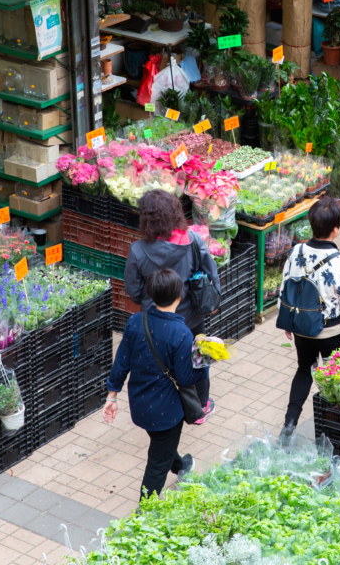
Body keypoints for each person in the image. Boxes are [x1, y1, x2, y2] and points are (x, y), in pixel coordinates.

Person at [104, 269, 206, 498]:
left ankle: (181, 466)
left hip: (140, 405)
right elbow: (186, 379)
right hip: (166, 413)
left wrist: (112, 395)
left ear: (151, 294)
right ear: (179, 296)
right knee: (157, 464)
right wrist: (204, 360)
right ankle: (145, 511)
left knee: (162, 445)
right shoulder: (181, 333)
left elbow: (121, 361)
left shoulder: (135, 321)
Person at [124, 188, 220, 422]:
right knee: (198, 358)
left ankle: (168, 407)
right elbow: (211, 272)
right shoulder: (193, 240)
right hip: (191, 317)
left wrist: (146, 300)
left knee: (161, 364)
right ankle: (200, 406)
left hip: (155, 320)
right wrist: (214, 299)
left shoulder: (137, 250)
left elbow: (133, 290)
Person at [280, 197, 340, 437]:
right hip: (331, 332)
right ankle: (334, 428)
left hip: (302, 327)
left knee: (304, 370)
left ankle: (290, 422)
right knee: (335, 376)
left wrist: (287, 321)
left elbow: (286, 286)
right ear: (336, 229)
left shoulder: (296, 251)